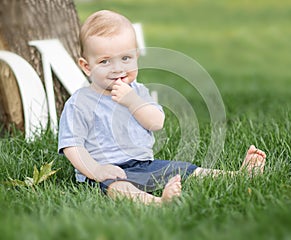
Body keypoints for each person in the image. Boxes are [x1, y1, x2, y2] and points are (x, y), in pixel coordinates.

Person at [58, 10, 266, 205]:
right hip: (106, 170)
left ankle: (239, 175)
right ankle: (156, 203)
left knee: (183, 169)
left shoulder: (137, 92)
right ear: (87, 66)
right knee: (117, 187)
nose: (118, 68)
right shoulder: (80, 103)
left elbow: (156, 122)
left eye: (126, 58)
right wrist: (96, 170)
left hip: (145, 164)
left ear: (136, 57)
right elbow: (72, 145)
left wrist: (132, 101)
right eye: (105, 61)